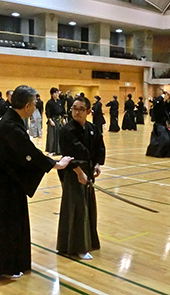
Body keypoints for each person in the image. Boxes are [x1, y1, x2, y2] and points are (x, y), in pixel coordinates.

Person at [0, 85, 73, 278]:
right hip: (0, 183)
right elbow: (28, 153)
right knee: (4, 224)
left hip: (5, 180)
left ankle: (11, 263)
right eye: (34, 104)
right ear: (26, 106)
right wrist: (55, 164)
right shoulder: (10, 125)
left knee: (9, 222)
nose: (35, 107)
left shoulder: (11, 120)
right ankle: (3, 266)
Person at [56, 96, 105, 260]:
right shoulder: (67, 130)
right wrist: (79, 172)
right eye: (74, 109)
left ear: (88, 111)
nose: (76, 112)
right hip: (73, 173)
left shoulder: (93, 128)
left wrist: (97, 164)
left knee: (88, 206)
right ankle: (76, 246)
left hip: (88, 171)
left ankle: (88, 241)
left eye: (80, 109)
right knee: (77, 207)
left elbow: (99, 147)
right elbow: (68, 155)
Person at [146, 90, 170, 158]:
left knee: (167, 140)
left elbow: (167, 104)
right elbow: (160, 101)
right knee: (162, 141)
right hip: (159, 126)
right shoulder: (157, 107)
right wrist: (164, 94)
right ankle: (158, 153)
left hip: (163, 125)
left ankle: (166, 153)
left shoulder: (161, 106)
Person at [45, 87, 65, 155]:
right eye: (55, 93)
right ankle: (51, 151)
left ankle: (59, 150)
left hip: (59, 120)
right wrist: (50, 120)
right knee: (52, 136)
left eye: (57, 93)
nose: (56, 94)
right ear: (52, 94)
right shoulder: (49, 103)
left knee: (60, 135)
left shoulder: (59, 102)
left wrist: (63, 119)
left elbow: (62, 111)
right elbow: (48, 112)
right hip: (53, 120)